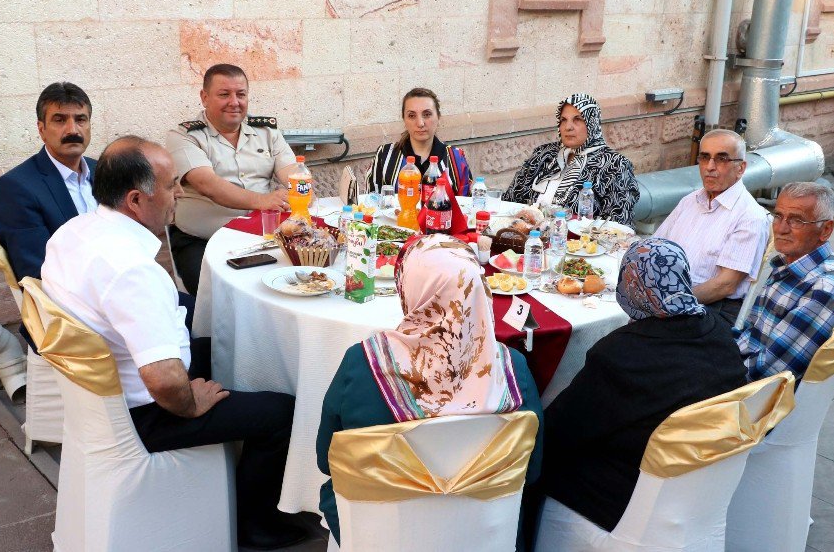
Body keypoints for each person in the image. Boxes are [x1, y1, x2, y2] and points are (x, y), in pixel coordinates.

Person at [41, 136, 305, 550]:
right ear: (135, 199)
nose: (178, 192)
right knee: (282, 412)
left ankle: (244, 464)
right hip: (147, 411)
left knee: (224, 344)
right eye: (169, 186)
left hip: (104, 395)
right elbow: (164, 381)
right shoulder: (131, 270)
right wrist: (190, 404)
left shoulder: (73, 232)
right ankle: (257, 523)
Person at [316, 235, 543, 546]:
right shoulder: (512, 371)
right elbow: (532, 471)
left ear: (410, 289)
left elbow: (325, 460)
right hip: (480, 537)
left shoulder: (362, 364)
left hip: (379, 536)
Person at [542, 238, 747, 533]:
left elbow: (560, 432)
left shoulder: (620, 354)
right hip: (699, 480)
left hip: (624, 497)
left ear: (634, 288)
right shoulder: (720, 331)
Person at [166, 63, 298, 294]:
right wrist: (262, 201)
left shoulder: (267, 132)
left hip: (262, 237)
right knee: (218, 296)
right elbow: (208, 185)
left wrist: (302, 192)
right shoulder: (184, 136)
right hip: (203, 241)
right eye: (224, 94)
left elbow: (294, 174)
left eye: (241, 94)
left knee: (298, 280)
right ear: (204, 97)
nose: (234, 102)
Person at [738, 182, 834, 382]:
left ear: (825, 229)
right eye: (778, 216)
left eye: (796, 220)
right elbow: (751, 333)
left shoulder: (827, 288)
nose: (781, 229)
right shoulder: (790, 263)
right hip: (736, 362)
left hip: (745, 394)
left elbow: (769, 373)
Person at [654, 129, 769, 324]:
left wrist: (668, 303)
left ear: (741, 168)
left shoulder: (750, 216)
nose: (710, 167)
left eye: (721, 159)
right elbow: (655, 245)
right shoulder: (690, 200)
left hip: (713, 309)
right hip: (670, 295)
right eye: (704, 157)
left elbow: (725, 285)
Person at [0, 82, 97, 284]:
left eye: (80, 119)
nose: (72, 130)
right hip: (77, 305)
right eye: (60, 120)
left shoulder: (105, 171)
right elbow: (38, 272)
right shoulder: (16, 189)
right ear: (41, 129)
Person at [502, 94, 638, 226]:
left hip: (576, 243)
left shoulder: (615, 164)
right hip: (528, 234)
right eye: (563, 120)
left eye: (577, 119)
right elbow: (510, 198)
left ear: (592, 123)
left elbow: (618, 224)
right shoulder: (543, 154)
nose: (568, 127)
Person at [366, 87, 473, 196]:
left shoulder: (456, 158)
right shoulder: (385, 154)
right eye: (412, 116)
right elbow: (370, 203)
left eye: (427, 114)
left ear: (438, 117)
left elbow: (467, 205)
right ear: (404, 119)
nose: (420, 123)